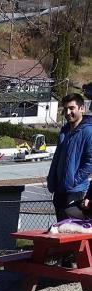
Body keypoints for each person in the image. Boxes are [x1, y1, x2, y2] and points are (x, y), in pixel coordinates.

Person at [47, 93, 92, 230]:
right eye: (65, 109)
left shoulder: (88, 132)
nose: (67, 112)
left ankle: (74, 252)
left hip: (75, 190)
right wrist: (52, 179)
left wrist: (74, 180)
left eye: (71, 108)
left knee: (73, 228)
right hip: (59, 188)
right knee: (61, 228)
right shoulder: (65, 131)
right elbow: (57, 158)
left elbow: (90, 161)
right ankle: (65, 252)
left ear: (82, 109)